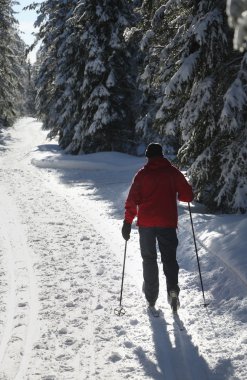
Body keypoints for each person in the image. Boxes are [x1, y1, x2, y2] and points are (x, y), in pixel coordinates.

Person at [121, 143, 193, 312]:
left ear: (148, 157)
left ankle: (151, 297)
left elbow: (132, 200)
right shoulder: (173, 172)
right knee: (169, 259)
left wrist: (127, 222)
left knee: (149, 258)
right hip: (167, 222)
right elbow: (188, 195)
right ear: (162, 156)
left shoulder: (142, 175)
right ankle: (173, 290)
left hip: (146, 224)